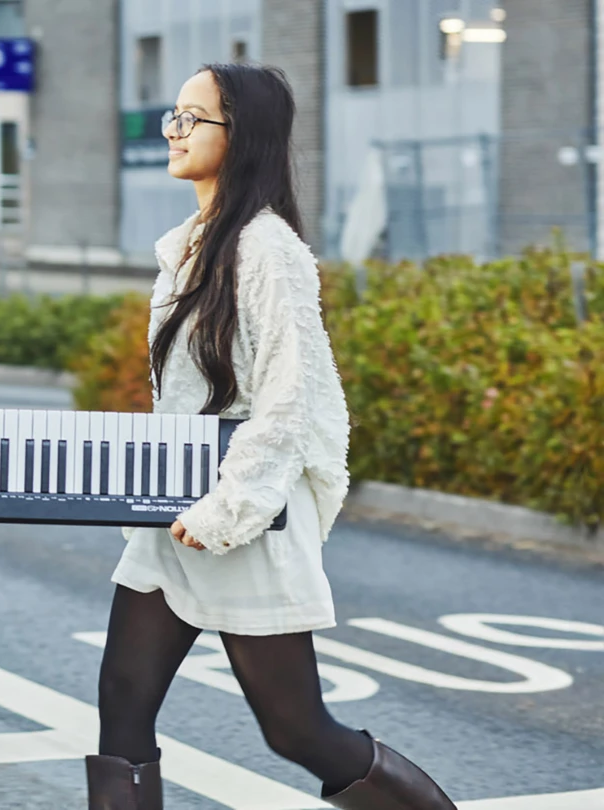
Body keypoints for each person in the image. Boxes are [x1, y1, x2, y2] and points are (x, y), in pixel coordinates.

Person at [87, 63, 457, 810]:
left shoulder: (266, 249)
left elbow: (286, 404)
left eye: (193, 118)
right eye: (174, 115)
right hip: (175, 513)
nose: (173, 130)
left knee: (295, 729)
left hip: (242, 518)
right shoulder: (190, 246)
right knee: (123, 703)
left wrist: (224, 513)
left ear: (241, 135)